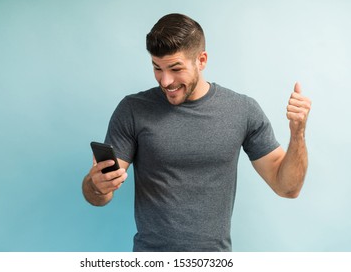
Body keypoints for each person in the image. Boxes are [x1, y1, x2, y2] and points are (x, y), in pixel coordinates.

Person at [82, 13, 312, 252]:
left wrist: (298, 134)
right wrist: (97, 185)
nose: (165, 80)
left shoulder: (243, 110)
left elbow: (287, 188)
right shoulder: (133, 110)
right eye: (157, 68)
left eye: (175, 68)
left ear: (201, 60)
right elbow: (98, 195)